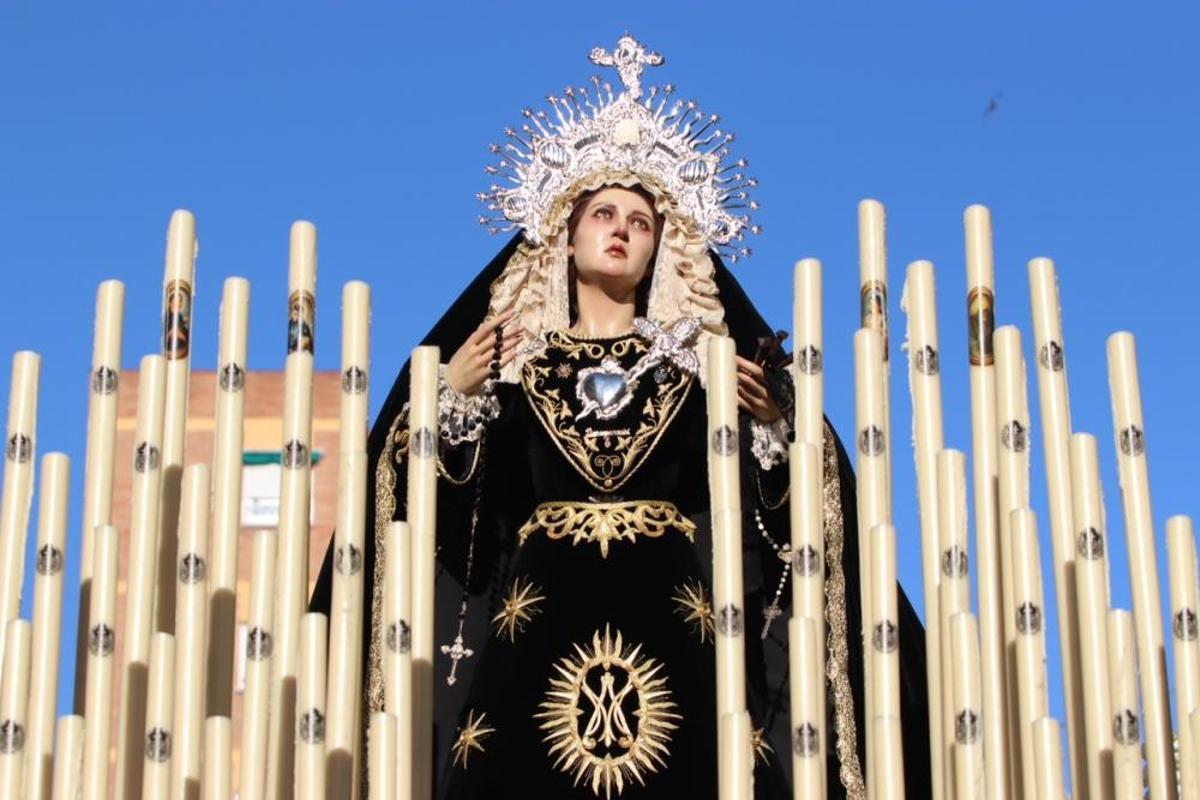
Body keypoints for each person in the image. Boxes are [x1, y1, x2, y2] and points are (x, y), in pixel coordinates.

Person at [310, 34, 929, 799]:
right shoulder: (518, 372)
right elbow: (456, 524)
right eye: (603, 212)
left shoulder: (698, 377)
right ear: (566, 236)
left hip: (676, 625)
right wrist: (451, 402)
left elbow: (777, 520)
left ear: (659, 248)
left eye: (640, 222)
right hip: (534, 625)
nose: (620, 230)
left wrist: (776, 427)